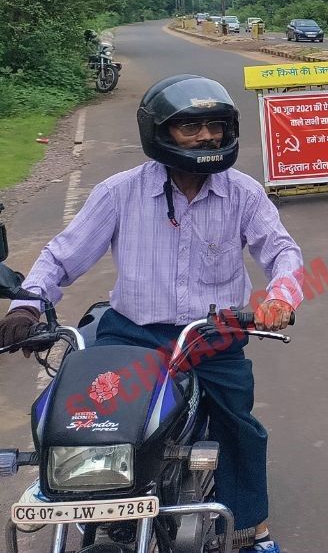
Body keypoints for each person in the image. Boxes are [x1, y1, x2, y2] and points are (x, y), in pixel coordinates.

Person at [0, 74, 304, 553]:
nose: (206, 137)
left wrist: (280, 297)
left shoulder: (243, 193)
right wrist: (27, 304)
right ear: (160, 132)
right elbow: (63, 255)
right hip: (133, 334)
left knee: (238, 425)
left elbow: (282, 250)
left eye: (214, 126)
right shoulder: (120, 192)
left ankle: (250, 529)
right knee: (85, 414)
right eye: (191, 128)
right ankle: (76, 491)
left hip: (213, 335)